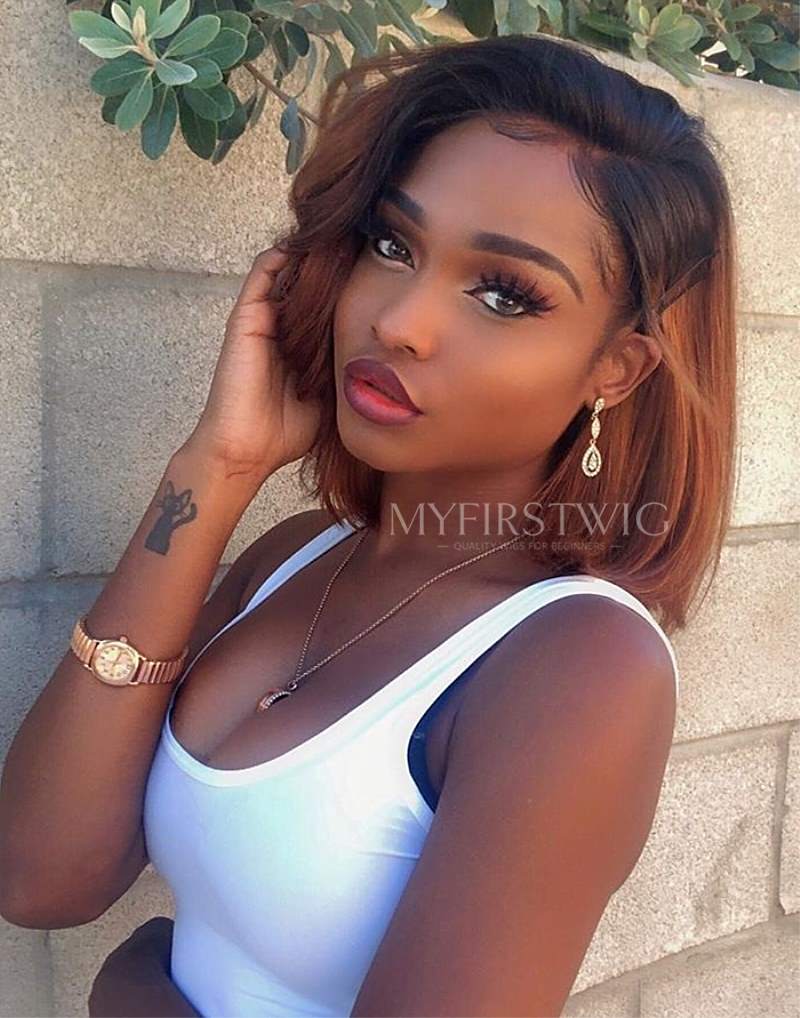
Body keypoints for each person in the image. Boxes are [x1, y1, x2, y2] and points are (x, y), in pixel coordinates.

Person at [0, 32, 737, 1018]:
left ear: (613, 368)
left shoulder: (580, 665)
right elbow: (40, 876)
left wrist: (130, 994)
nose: (398, 321)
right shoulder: (292, 556)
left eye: (503, 294)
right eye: (393, 245)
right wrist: (215, 468)